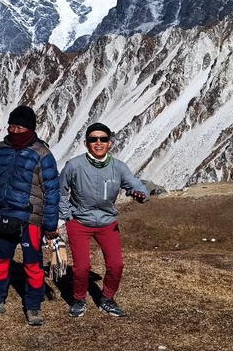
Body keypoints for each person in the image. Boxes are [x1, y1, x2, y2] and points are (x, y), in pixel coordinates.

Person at [0, 106, 60, 326]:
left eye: (19, 127)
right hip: (3, 214)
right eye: (11, 126)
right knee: (0, 261)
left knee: (33, 264)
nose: (14, 130)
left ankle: (33, 307)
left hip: (29, 219)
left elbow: (52, 191)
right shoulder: (0, 149)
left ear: (29, 128)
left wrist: (50, 225)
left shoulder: (42, 154)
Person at [58, 122, 149, 318]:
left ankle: (107, 298)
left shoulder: (118, 167)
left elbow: (134, 184)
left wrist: (140, 193)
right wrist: (66, 216)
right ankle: (79, 299)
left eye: (103, 139)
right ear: (86, 143)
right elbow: (60, 191)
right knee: (82, 268)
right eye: (93, 139)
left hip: (108, 222)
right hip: (79, 222)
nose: (98, 143)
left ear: (110, 143)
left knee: (116, 264)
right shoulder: (74, 165)